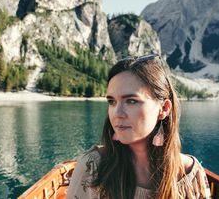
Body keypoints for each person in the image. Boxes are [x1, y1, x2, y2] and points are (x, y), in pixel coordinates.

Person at [66, 54, 211, 199]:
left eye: (131, 101)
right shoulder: (91, 167)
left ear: (164, 109)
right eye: (112, 102)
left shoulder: (190, 173)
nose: (117, 114)